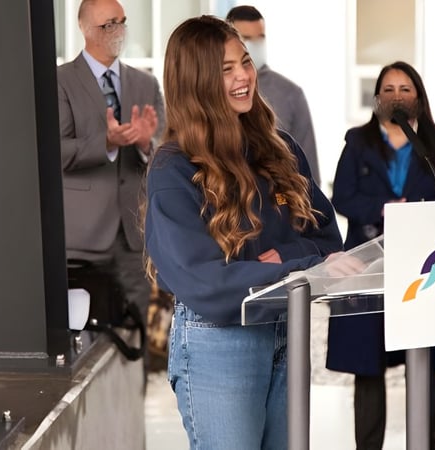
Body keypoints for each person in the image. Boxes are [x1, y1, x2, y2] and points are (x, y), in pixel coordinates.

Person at [143, 15, 343, 449]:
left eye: (245, 62)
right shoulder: (175, 169)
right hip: (219, 343)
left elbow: (328, 241)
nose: (243, 77)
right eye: (225, 69)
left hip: (286, 329)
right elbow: (205, 282)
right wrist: (288, 265)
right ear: (196, 82)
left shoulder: (280, 149)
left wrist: (275, 263)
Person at [325, 61, 435, 450]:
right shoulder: (357, 141)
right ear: (376, 99)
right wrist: (384, 208)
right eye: (388, 89)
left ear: (418, 98)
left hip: (423, 267)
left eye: (405, 89)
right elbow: (342, 196)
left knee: (422, 367)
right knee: (367, 366)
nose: (397, 96)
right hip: (368, 265)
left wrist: (415, 212)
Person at [57, 0, 164, 330]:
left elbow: (167, 152)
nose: (119, 30)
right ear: (85, 30)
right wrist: (107, 142)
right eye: (108, 25)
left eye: (122, 21)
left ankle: (137, 383)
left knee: (136, 335)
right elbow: (55, 151)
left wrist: (147, 144)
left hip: (134, 233)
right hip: (82, 238)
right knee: (84, 335)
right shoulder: (59, 81)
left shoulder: (146, 84)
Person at [226, 5, 322, 185]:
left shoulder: (291, 94)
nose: (253, 45)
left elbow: (309, 171)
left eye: (259, 38)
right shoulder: (212, 91)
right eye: (245, 39)